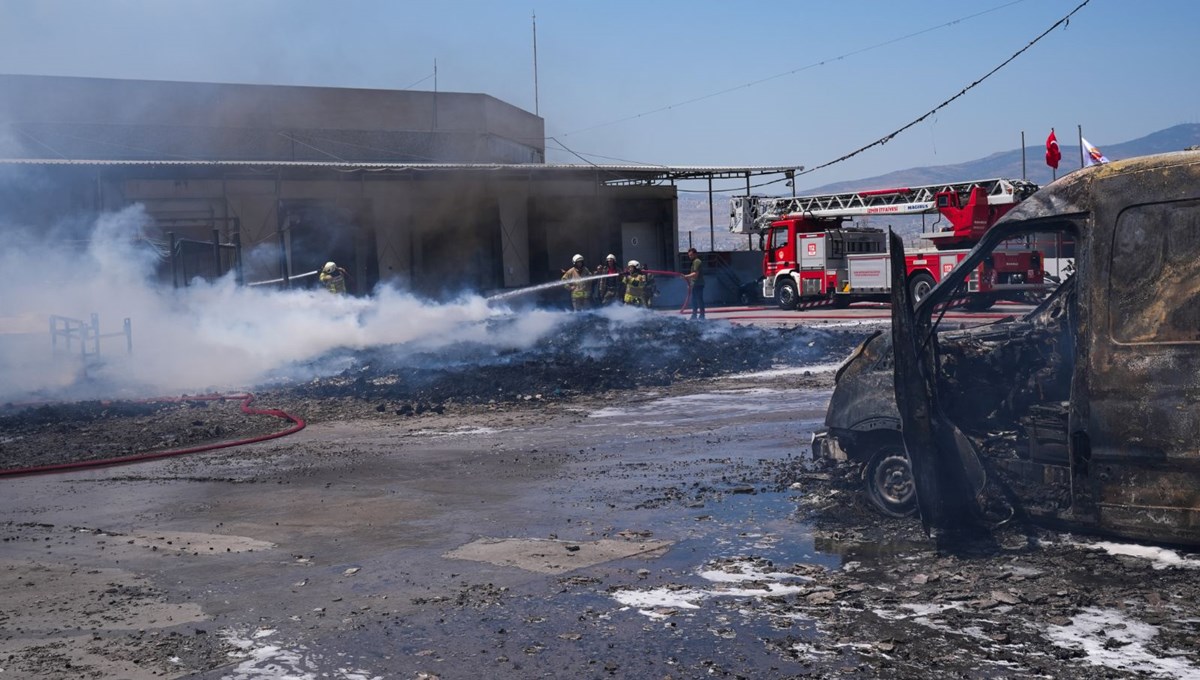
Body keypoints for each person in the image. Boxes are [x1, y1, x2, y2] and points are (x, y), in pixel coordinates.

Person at [683, 248, 706, 319]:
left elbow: (695, 274)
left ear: (695, 254)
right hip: (695, 284)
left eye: (691, 255)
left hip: (698, 284)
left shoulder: (697, 261)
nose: (690, 257)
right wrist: (690, 284)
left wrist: (686, 276)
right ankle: (694, 315)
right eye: (689, 255)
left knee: (699, 299)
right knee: (694, 300)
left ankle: (701, 315)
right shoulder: (694, 262)